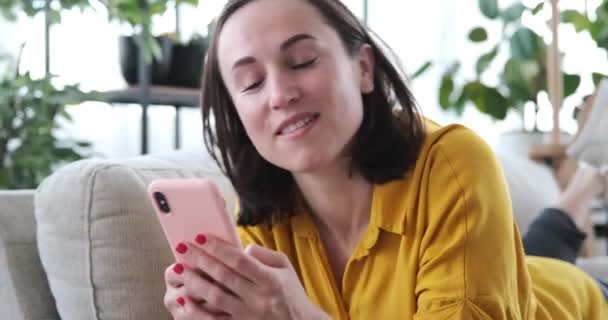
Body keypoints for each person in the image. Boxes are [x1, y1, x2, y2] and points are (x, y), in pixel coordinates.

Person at [163, 0, 608, 319]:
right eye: (252, 82)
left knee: (550, 259)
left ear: (363, 69)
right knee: (541, 246)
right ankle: (588, 180)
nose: (280, 95)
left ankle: (591, 175)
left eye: (301, 61)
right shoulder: (261, 219)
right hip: (506, 270)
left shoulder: (452, 162)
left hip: (577, 302)